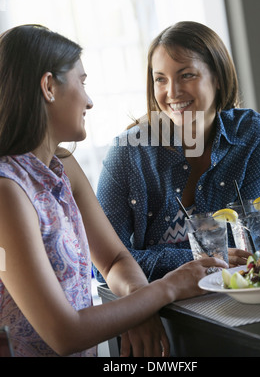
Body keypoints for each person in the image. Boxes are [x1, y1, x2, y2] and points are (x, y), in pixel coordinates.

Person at [0, 24, 228, 358]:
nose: (89, 101)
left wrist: (141, 304)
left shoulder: (62, 166)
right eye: (82, 82)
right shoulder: (6, 192)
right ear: (48, 86)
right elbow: (64, 333)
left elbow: (114, 258)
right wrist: (168, 287)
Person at [95, 21, 260, 283]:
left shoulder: (252, 134)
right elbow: (106, 265)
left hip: (236, 291)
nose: (172, 92)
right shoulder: (127, 154)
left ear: (217, 78)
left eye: (186, 75)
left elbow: (247, 247)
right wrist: (195, 260)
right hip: (158, 308)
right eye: (160, 79)